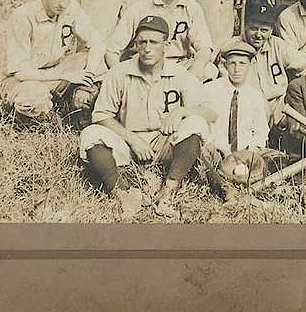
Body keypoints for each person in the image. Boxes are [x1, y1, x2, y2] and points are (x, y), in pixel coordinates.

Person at [78, 16, 219, 215]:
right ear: (135, 43)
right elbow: (101, 114)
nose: (147, 48)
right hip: (129, 144)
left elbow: (211, 112)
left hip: (165, 144)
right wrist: (133, 139)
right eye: (142, 42)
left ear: (166, 46)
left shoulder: (179, 73)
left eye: (154, 42)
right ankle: (122, 194)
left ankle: (168, 191)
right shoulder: (120, 72)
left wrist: (180, 112)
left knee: (196, 123)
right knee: (90, 134)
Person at [1, 0, 105, 122]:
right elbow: (20, 72)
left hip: (56, 71)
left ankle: (72, 102)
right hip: (24, 80)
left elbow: (98, 43)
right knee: (32, 99)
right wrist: (65, 75)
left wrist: (87, 75)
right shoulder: (22, 17)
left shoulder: (72, 8)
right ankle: (33, 120)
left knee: (92, 60)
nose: (63, 3)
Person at [105, 0, 216, 81]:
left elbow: (205, 47)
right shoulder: (140, 8)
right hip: (145, 66)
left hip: (179, 65)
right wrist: (123, 77)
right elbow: (112, 50)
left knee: (209, 70)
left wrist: (197, 66)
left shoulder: (192, 8)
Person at [238, 3, 306, 122]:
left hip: (280, 105)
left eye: (264, 30)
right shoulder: (234, 47)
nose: (258, 35)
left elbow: (305, 64)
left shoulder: (277, 45)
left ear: (271, 30)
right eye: (254, 28)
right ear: (245, 26)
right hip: (248, 105)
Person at [203, 40, 270, 156]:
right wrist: (217, 148)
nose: (237, 69)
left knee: (273, 158)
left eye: (242, 63)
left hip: (246, 152)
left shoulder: (255, 96)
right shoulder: (210, 90)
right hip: (216, 150)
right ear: (225, 65)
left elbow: (261, 130)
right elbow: (204, 125)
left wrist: (252, 151)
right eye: (232, 63)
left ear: (250, 65)